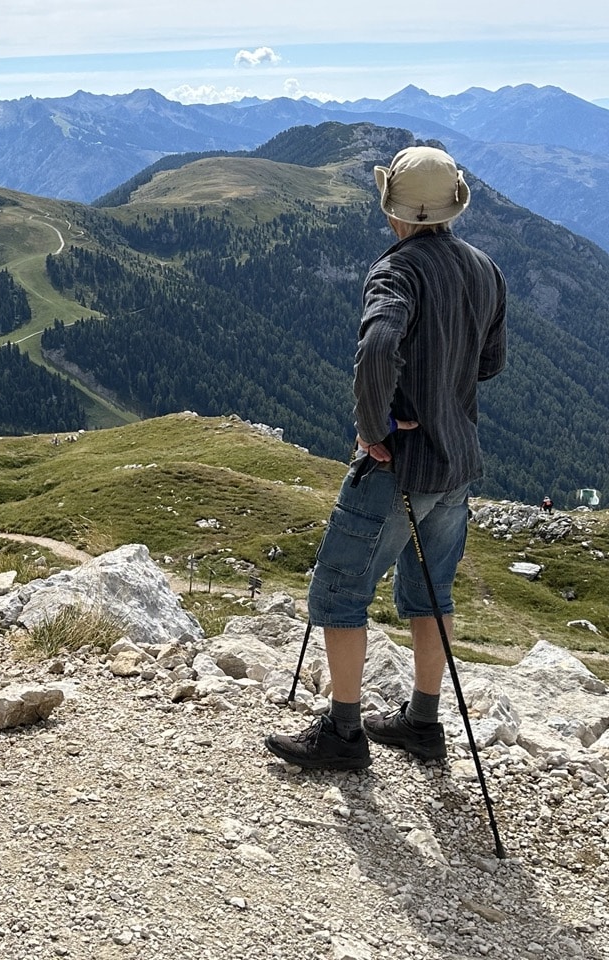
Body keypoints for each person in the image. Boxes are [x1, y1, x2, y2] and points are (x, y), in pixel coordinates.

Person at [265, 145, 507, 770]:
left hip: (398, 467)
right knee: (433, 593)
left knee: (341, 590)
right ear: (453, 204)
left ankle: (344, 735)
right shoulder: (485, 269)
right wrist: (443, 393)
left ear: (391, 207)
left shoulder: (396, 271)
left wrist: (374, 429)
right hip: (456, 466)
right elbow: (490, 363)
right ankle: (423, 722)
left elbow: (377, 347)